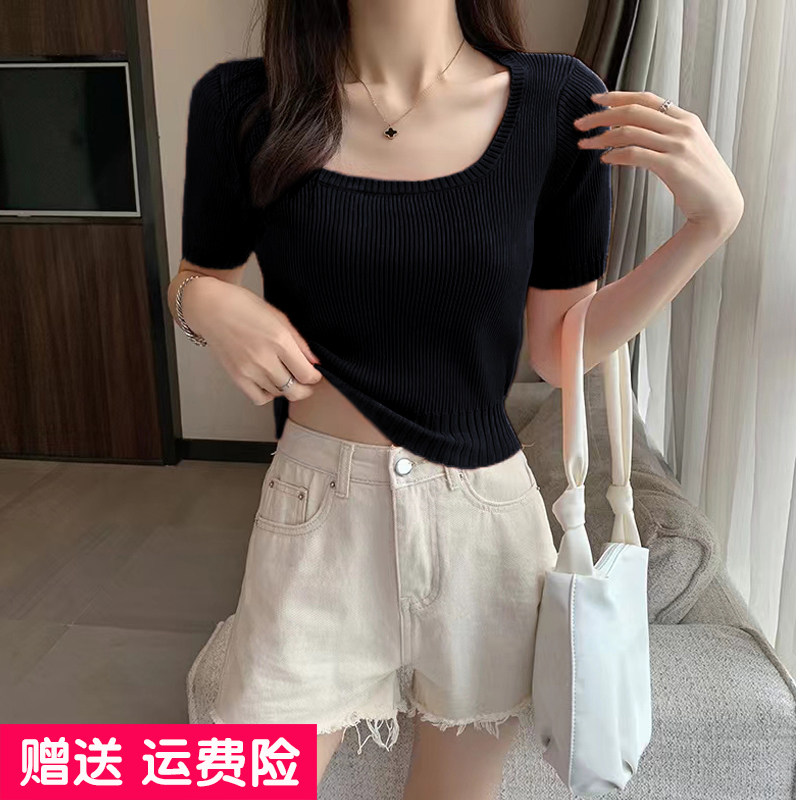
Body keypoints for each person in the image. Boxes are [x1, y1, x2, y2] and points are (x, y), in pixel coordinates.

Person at [168, 1, 743, 796]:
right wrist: (203, 301)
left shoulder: (558, 103)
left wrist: (707, 227)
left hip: (484, 528)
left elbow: (559, 348)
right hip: (316, 518)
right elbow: (198, 277)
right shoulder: (243, 103)